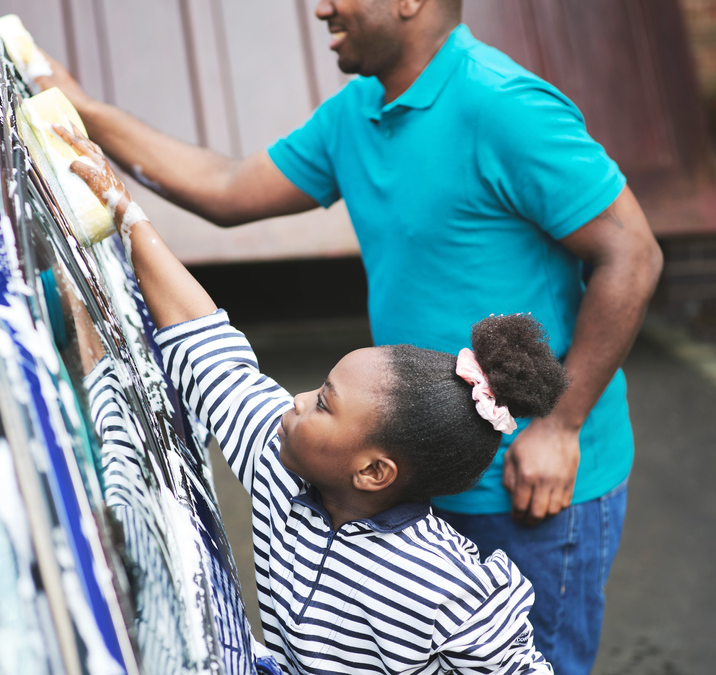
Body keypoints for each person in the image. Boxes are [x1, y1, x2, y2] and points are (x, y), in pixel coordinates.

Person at [36, 0, 662, 672]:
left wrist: (560, 426)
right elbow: (228, 188)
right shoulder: (358, 112)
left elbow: (633, 255)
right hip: (406, 469)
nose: (321, 4)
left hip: (534, 478)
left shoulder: (505, 108)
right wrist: (84, 114)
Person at [59, 123, 563, 673]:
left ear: (373, 472)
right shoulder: (283, 473)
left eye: (324, 403)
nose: (296, 400)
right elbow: (210, 349)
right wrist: (129, 218)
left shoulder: (447, 592)